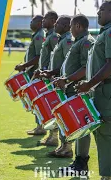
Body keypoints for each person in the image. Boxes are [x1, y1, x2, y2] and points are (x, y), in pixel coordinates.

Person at [74, 1, 111, 179]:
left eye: (102, 10)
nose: (98, 13)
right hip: (102, 88)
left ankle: (109, 177)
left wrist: (89, 84)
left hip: (108, 89)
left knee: (107, 135)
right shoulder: (105, 32)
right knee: (100, 133)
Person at [54, 14, 95, 176]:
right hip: (73, 88)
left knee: (82, 128)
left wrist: (67, 79)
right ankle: (78, 162)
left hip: (79, 89)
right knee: (78, 127)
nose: (70, 29)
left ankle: (81, 163)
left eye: (71, 26)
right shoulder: (79, 41)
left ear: (78, 26)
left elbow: (86, 68)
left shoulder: (86, 42)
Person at [39, 15, 74, 158]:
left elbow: (67, 62)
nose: (55, 25)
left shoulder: (67, 40)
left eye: (58, 23)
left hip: (64, 82)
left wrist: (53, 73)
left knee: (64, 115)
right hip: (57, 81)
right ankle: (62, 145)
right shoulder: (61, 39)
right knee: (59, 114)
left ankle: (67, 147)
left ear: (66, 26)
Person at [15, 15, 46, 136]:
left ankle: (41, 126)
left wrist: (24, 66)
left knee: (37, 101)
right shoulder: (37, 35)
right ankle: (39, 126)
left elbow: (38, 57)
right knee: (35, 101)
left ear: (39, 23)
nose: (30, 23)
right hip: (32, 73)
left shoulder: (39, 36)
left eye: (32, 21)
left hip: (36, 74)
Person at [35, 11, 60, 146]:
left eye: (45, 19)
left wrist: (49, 72)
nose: (42, 21)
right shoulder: (48, 35)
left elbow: (58, 57)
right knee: (49, 106)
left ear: (52, 20)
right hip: (46, 74)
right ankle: (52, 136)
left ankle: (55, 137)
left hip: (53, 76)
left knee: (54, 106)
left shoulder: (55, 36)